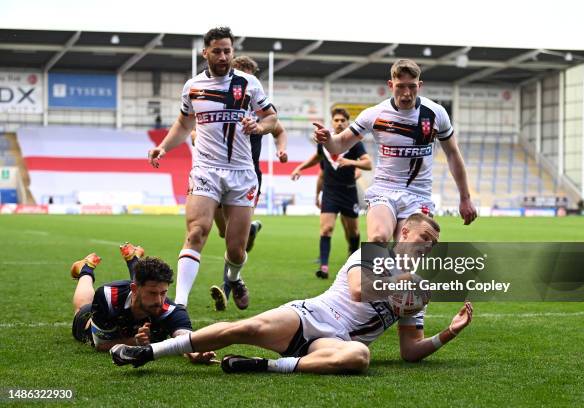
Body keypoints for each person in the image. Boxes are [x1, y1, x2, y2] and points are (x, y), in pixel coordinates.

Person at [110, 213, 473, 374]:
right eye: (426, 239)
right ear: (405, 234)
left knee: (360, 357)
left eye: (436, 245)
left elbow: (410, 352)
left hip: (335, 342)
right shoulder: (375, 255)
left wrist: (449, 333)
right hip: (310, 316)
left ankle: (263, 366)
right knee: (246, 328)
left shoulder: (417, 291)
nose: (430, 248)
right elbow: (359, 290)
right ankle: (148, 353)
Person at [147, 27, 278, 310]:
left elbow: (271, 119)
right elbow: (184, 124)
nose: (223, 56)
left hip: (242, 173)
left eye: (227, 51)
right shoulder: (193, 87)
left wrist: (259, 126)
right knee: (196, 232)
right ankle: (179, 305)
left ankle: (235, 277)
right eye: (217, 51)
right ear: (204, 52)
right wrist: (163, 147)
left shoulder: (248, 83)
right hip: (206, 169)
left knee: (235, 248)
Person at [313, 59, 477, 242]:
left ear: (420, 85)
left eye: (412, 87)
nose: (406, 94)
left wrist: (465, 198)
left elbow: (453, 154)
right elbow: (340, 144)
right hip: (385, 190)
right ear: (391, 85)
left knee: (409, 250)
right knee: (377, 237)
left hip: (418, 196)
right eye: (400, 87)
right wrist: (328, 140)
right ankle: (359, 270)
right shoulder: (375, 114)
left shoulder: (436, 113)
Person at [207, 55, 288, 311]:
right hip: (216, 172)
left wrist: (281, 151)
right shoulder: (218, 103)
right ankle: (237, 276)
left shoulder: (259, 110)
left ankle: (229, 286)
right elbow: (197, 127)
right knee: (224, 233)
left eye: (248, 75)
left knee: (234, 240)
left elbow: (279, 129)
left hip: (248, 175)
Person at [69, 243, 215, 364]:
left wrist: (194, 352)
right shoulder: (108, 297)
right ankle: (86, 268)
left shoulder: (172, 310)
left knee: (144, 283)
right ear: (134, 289)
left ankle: (133, 259)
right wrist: (135, 342)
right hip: (88, 323)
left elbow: (186, 338)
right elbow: (101, 345)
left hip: (131, 305)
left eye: (163, 293)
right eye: (152, 293)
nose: (159, 301)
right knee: (81, 308)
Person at [291, 108, 372, 279]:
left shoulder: (355, 143)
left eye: (343, 120)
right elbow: (316, 158)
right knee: (326, 229)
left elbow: (368, 164)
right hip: (330, 191)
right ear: (332, 122)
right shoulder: (324, 142)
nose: (339, 123)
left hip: (349, 191)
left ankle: (352, 254)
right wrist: (300, 168)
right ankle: (324, 266)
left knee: (354, 232)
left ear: (348, 123)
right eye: (336, 120)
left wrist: (349, 161)